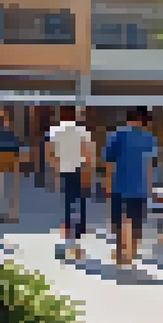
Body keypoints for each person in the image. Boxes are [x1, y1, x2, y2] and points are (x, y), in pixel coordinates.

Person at [102, 108, 158, 271]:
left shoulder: (116, 136)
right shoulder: (149, 138)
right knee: (136, 223)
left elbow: (109, 162)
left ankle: (121, 255)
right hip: (140, 187)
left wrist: (107, 183)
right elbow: (149, 165)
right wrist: (149, 187)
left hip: (119, 186)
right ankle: (131, 255)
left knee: (118, 222)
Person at [48, 106, 96, 261]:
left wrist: (55, 172)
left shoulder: (55, 131)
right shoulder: (82, 131)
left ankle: (69, 234)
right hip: (79, 169)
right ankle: (79, 233)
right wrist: (88, 171)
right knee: (81, 201)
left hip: (64, 170)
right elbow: (87, 153)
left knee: (67, 203)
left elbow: (50, 154)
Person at [0, 107, 23, 222]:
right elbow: (16, 148)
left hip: (2, 162)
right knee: (9, 189)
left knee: (2, 189)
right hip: (9, 162)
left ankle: (5, 212)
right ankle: (11, 213)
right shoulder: (10, 133)